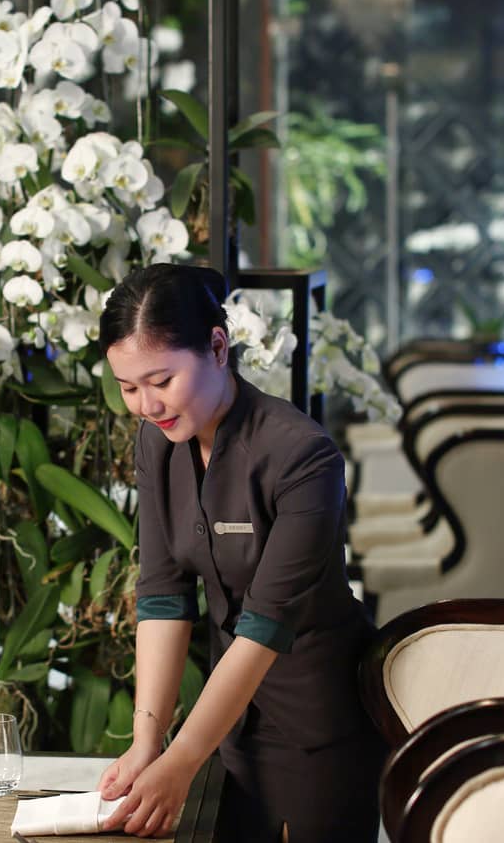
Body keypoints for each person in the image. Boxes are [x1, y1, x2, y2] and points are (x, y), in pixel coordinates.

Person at [95, 263, 383, 842]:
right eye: (129, 388)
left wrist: (181, 760)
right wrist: (149, 742)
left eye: (161, 380)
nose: (147, 405)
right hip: (230, 728)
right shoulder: (159, 444)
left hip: (318, 730)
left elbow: (265, 626)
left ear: (218, 347)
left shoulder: (303, 457)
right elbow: (162, 596)